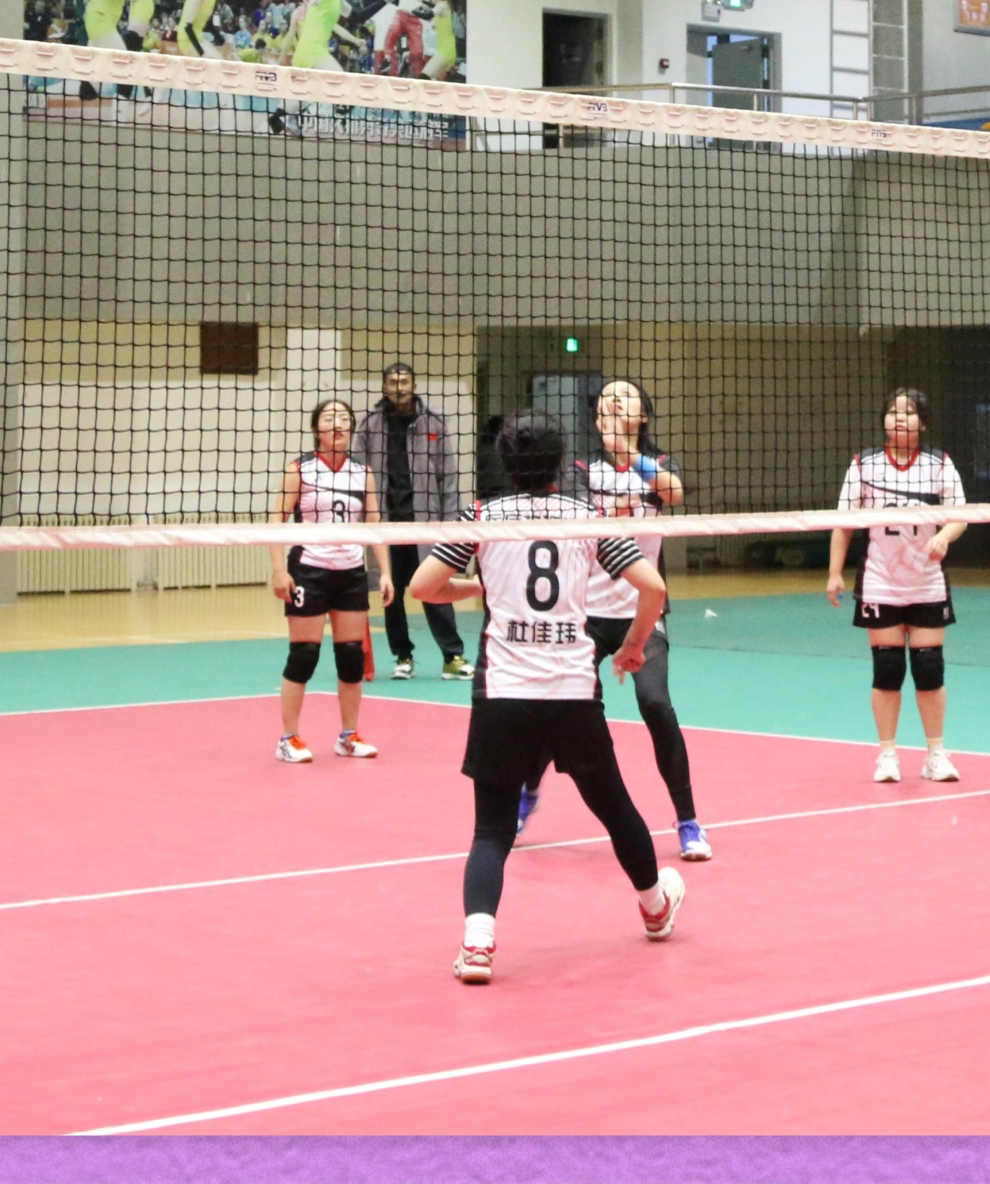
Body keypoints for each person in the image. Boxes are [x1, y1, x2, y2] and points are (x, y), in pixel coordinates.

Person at [408, 412, 684, 976]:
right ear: (561, 463)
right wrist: (634, 647)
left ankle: (478, 943)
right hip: (571, 693)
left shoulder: (482, 516)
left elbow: (422, 587)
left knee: (491, 828)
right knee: (615, 809)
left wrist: (479, 584)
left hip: (503, 694)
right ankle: (656, 908)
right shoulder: (588, 518)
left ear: (505, 464)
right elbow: (653, 588)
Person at [581, 376, 709, 858]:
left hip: (642, 610)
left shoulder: (660, 465)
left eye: (626, 397)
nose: (614, 401)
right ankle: (528, 793)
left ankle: (688, 820)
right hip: (584, 613)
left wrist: (628, 454)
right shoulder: (580, 470)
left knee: (655, 704)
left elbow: (673, 492)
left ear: (644, 416)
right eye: (607, 398)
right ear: (596, 418)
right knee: (560, 707)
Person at [831, 387, 967, 786]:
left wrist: (944, 535)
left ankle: (936, 755)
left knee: (929, 669)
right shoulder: (863, 464)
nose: (900, 418)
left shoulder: (939, 463)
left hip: (926, 582)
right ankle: (887, 754)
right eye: (893, 412)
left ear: (923, 423)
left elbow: (961, 515)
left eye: (908, 413)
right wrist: (834, 573)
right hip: (880, 582)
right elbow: (843, 522)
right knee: (887, 670)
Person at [265, 397, 381, 763]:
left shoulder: (362, 472)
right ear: (317, 429)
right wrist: (279, 570)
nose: (338, 424)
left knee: (351, 657)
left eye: (344, 418)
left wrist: (386, 573)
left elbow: (375, 524)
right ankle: (288, 738)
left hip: (351, 572)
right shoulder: (299, 469)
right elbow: (276, 520)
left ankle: (348, 736)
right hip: (309, 571)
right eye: (330, 418)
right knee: (304, 656)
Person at [364, 360, 467, 680]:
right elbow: (359, 475)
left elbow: (449, 478)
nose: (399, 388)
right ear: (384, 388)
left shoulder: (434, 422)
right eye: (393, 383)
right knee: (391, 593)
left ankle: (452, 656)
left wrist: (451, 526)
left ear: (414, 386)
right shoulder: (369, 426)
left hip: (426, 525)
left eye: (405, 382)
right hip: (387, 526)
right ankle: (403, 656)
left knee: (435, 590)